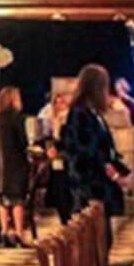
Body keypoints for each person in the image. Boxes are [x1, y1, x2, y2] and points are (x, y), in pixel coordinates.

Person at [62, 63, 128, 245]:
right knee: (93, 238)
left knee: (104, 238)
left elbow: (106, 148)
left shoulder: (94, 114)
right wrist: (108, 170)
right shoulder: (79, 114)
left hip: (99, 181)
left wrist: (121, 170)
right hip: (88, 184)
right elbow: (84, 149)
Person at [0, 86, 33, 247]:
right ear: (14, 100)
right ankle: (19, 233)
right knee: (17, 200)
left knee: (2, 200)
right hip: (15, 163)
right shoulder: (18, 119)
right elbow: (23, 142)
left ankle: (4, 231)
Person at [41, 91, 74, 223]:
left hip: (67, 157)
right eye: (57, 102)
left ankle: (69, 218)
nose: (60, 105)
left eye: (63, 102)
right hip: (56, 159)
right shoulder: (51, 119)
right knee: (58, 187)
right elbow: (47, 137)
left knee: (66, 188)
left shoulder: (70, 119)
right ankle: (64, 218)